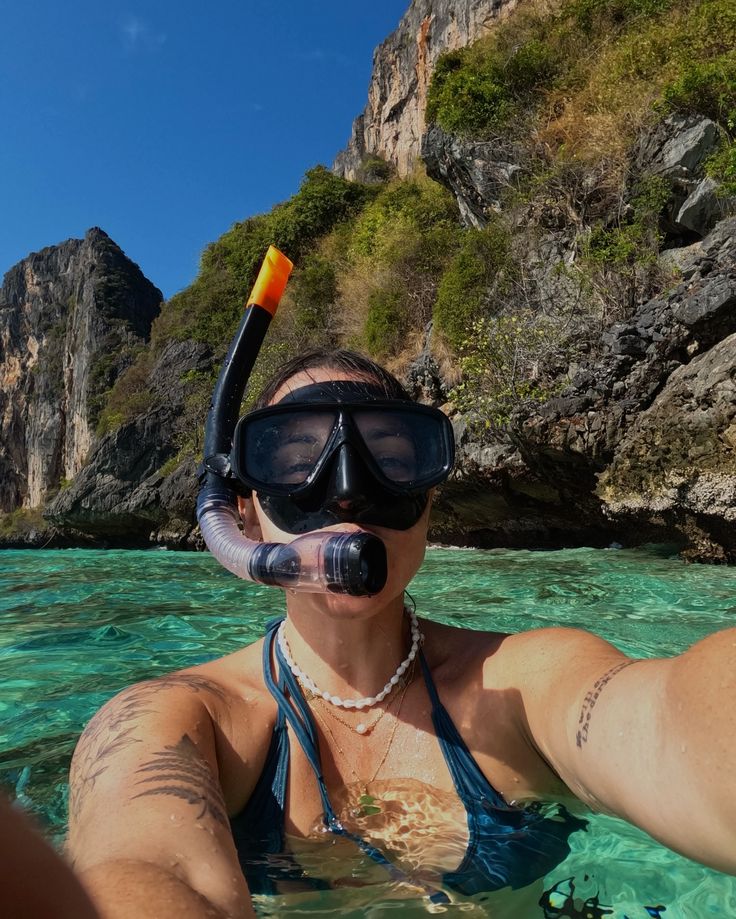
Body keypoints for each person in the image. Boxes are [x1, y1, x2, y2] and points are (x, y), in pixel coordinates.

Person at [66, 348, 736, 918]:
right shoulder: (179, 719)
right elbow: (136, 865)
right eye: (297, 460)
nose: (349, 492)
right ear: (243, 515)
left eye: (390, 455)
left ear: (429, 498)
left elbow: (669, 724)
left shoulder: (522, 684)